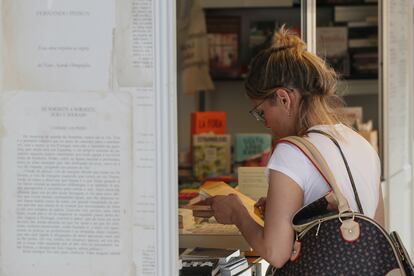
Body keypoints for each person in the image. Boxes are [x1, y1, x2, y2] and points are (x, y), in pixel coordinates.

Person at [203, 26, 384, 268]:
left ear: (284, 98)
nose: (265, 122)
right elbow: (375, 231)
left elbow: (276, 253)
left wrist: (238, 213)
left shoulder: (292, 152)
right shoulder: (361, 144)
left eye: (261, 112)